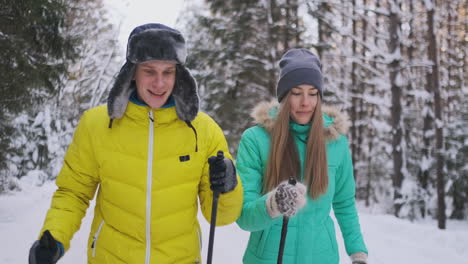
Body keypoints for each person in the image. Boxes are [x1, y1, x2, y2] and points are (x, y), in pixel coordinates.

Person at [28, 23, 243, 264]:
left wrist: (227, 186)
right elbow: (73, 192)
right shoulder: (96, 125)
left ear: (178, 73)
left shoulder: (203, 130)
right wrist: (54, 236)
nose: (159, 83)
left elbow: (222, 217)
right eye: (149, 71)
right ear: (132, 71)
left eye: (168, 72)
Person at [235, 48, 368, 264]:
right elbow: (244, 216)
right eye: (296, 93)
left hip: (322, 257)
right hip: (267, 258)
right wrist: (273, 204)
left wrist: (358, 252)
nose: (306, 102)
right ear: (284, 97)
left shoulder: (335, 142)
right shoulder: (255, 140)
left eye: (313, 93)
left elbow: (344, 203)